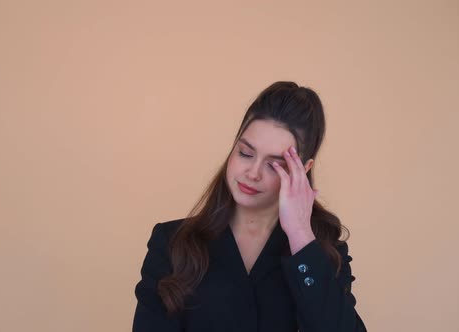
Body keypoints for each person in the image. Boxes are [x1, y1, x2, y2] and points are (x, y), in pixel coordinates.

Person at [132, 81, 367, 332]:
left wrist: (300, 234)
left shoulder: (324, 252)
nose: (253, 173)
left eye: (275, 164)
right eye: (245, 153)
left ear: (303, 170)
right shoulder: (171, 243)